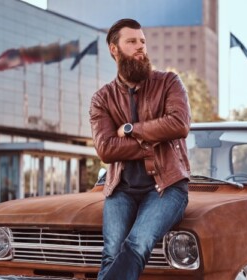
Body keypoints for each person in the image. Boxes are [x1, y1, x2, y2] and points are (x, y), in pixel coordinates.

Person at [89, 18, 191, 280]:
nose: (140, 47)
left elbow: (179, 124)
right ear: (114, 49)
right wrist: (154, 141)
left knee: (137, 243)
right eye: (132, 42)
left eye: (142, 42)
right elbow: (106, 149)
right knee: (111, 253)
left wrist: (132, 130)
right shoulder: (102, 98)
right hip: (120, 188)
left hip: (166, 187)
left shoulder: (169, 82)